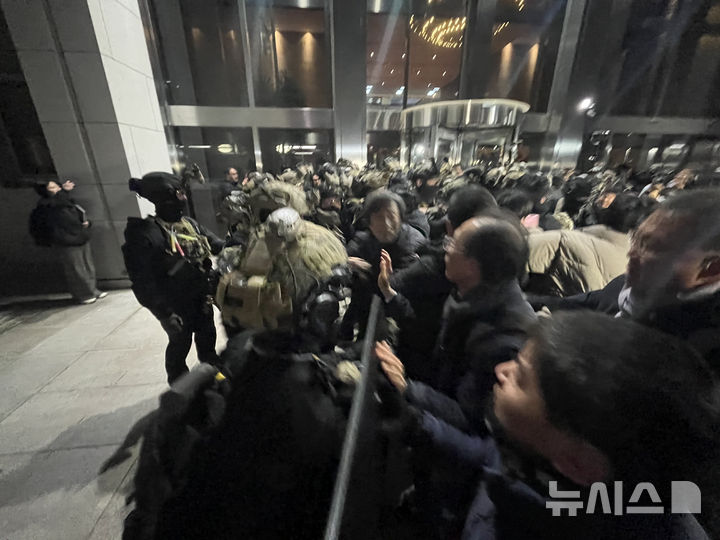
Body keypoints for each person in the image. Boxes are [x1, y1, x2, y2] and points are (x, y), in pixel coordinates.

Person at [461, 311, 718, 539]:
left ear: (580, 464)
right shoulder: (537, 454)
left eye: (520, 378)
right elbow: (494, 459)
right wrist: (428, 426)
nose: (502, 370)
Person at [378, 185, 497, 383]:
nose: (448, 250)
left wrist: (410, 390)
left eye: (454, 244)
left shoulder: (437, 266)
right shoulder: (489, 270)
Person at [122, 172, 224, 383]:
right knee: (180, 345)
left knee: (207, 341)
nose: (184, 198)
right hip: (175, 303)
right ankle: (180, 389)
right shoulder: (147, 233)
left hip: (201, 297)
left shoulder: (189, 224)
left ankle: (212, 380)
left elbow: (216, 244)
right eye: (179, 193)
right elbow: (142, 281)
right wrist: (163, 314)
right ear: (164, 198)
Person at [341, 190, 425, 339]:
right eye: (379, 218)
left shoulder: (414, 243)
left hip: (403, 319)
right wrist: (346, 263)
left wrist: (368, 270)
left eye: (391, 216)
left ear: (400, 217)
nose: (386, 224)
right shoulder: (365, 238)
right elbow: (344, 258)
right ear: (369, 223)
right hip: (368, 311)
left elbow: (397, 284)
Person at [30, 179, 106, 304]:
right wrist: (64, 191)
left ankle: (92, 290)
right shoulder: (46, 204)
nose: (57, 189)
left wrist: (86, 223)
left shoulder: (65, 201)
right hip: (65, 240)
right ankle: (83, 294)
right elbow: (57, 207)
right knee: (76, 269)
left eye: (56, 186)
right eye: (52, 188)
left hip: (79, 236)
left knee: (87, 266)